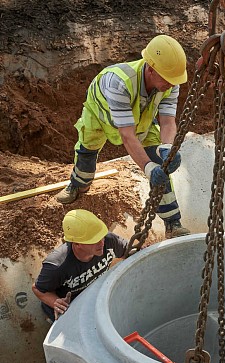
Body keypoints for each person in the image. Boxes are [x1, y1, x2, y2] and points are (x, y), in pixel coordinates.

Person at [55, 34, 190, 239]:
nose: (172, 85)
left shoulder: (170, 81)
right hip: (99, 116)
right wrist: (147, 168)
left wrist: (167, 148)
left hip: (140, 116)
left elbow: (167, 121)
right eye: (168, 80)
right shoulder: (119, 82)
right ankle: (78, 184)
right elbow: (127, 135)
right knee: (87, 152)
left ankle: (173, 223)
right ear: (151, 69)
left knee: (159, 164)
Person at [32, 209, 128, 322]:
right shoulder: (58, 265)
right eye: (94, 240)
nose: (101, 243)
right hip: (70, 307)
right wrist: (55, 302)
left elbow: (130, 251)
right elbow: (38, 289)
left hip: (94, 296)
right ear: (77, 243)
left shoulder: (109, 241)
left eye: (101, 236)